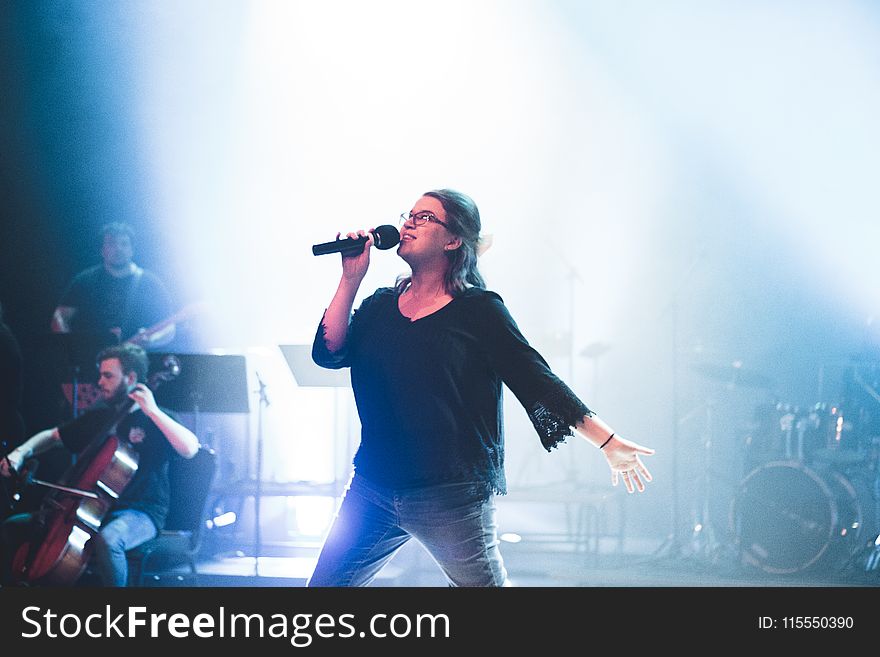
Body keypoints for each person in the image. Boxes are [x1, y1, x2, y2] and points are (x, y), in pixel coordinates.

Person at [308, 189, 654, 587]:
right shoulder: (381, 305)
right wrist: (350, 277)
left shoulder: (478, 310)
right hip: (374, 486)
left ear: (453, 240)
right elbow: (330, 353)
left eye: (425, 218)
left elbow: (535, 379)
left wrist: (608, 442)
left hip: (450, 494)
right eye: (410, 214)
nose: (409, 223)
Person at [0, 343, 199, 586]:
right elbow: (52, 437)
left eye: (108, 376)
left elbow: (190, 448)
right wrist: (20, 452)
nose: (100, 382)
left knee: (109, 540)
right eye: (100, 375)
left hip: (141, 512)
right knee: (13, 526)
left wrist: (153, 411)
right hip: (91, 511)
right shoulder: (101, 417)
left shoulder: (156, 418)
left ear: (131, 377)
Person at [51, 222, 176, 348]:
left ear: (132, 250)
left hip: (134, 360)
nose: (118, 248)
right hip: (91, 359)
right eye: (111, 243)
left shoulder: (150, 283)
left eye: (124, 244)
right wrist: (68, 349)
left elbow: (170, 327)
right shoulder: (84, 281)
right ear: (102, 250)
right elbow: (60, 317)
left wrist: (151, 340)